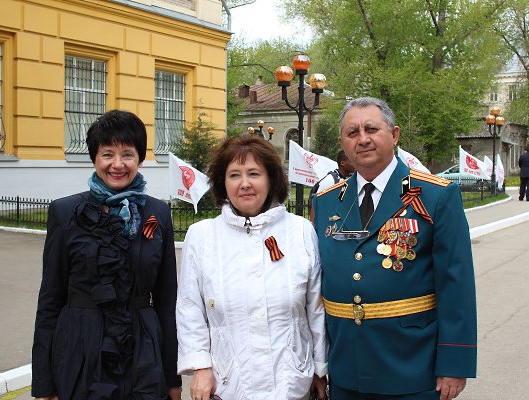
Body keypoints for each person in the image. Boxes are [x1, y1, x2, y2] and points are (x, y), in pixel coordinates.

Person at [312, 97, 477, 400]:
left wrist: (455, 363)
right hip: (346, 367)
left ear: (395, 134)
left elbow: (456, 284)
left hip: (411, 365)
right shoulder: (326, 202)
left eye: (372, 129)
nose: (363, 139)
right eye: (352, 133)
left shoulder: (435, 196)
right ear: (342, 143)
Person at [31, 110, 182, 400]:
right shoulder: (65, 212)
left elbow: (167, 301)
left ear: (140, 159)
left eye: (127, 154)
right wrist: (44, 384)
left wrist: (171, 377)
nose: (117, 164)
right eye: (107, 154)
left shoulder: (158, 213)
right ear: (94, 159)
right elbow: (50, 299)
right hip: (80, 348)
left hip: (143, 350)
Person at [176, 135, 328, 400]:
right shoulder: (202, 236)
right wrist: (200, 367)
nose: (244, 183)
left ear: (271, 179)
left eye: (254, 173)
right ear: (223, 183)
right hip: (228, 384)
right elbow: (190, 309)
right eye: (234, 175)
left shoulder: (300, 231)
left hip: (291, 383)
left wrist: (320, 368)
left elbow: (316, 307)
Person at [308, 150, 355, 220]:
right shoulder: (331, 179)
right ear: (343, 163)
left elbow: (339, 199)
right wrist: (313, 223)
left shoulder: (345, 180)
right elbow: (315, 201)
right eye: (352, 161)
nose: (355, 164)